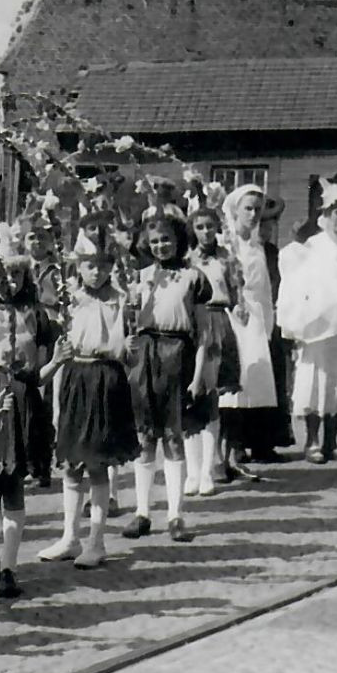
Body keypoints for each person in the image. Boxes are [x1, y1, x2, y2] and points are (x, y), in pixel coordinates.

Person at [37, 226, 141, 566]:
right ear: (77, 267)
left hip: (106, 377)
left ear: (111, 265)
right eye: (88, 265)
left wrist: (128, 348)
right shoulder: (70, 298)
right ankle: (70, 536)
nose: (95, 271)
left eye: (102, 264)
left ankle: (96, 541)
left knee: (97, 463)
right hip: (74, 377)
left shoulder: (122, 298)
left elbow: (126, 347)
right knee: (70, 463)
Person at [122, 213, 212, 542]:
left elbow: (202, 333)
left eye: (167, 239)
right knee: (145, 437)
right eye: (155, 240)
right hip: (144, 356)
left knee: (174, 437)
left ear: (179, 240)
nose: (161, 245)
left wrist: (199, 375)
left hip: (178, 356)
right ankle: (142, 511)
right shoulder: (139, 277)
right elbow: (127, 321)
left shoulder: (193, 277)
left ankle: (175, 515)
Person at [0, 232, 49, 599]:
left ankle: (9, 567)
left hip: (20, 396)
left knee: (13, 484)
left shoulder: (35, 314)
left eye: (16, 275)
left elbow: (42, 368)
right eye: (2, 276)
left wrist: (56, 364)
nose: (9, 282)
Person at [277, 180, 337, 463]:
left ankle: (332, 442)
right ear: (326, 214)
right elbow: (297, 285)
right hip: (317, 325)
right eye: (336, 212)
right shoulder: (314, 245)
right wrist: (297, 322)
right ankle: (312, 442)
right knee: (315, 382)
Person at [216, 185, 279, 480]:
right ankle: (216, 458)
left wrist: (266, 324)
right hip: (229, 316)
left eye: (257, 209)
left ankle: (233, 454)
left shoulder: (256, 248)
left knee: (246, 390)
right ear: (235, 211)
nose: (253, 215)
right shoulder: (224, 244)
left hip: (253, 318)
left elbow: (264, 292)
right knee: (225, 390)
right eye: (248, 209)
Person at [184, 206, 242, 494]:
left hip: (217, 322)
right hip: (191, 323)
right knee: (189, 396)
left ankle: (211, 466)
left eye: (210, 226)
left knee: (212, 397)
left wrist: (240, 308)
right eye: (200, 227)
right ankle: (191, 471)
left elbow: (235, 295)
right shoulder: (185, 259)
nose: (206, 232)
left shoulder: (227, 257)